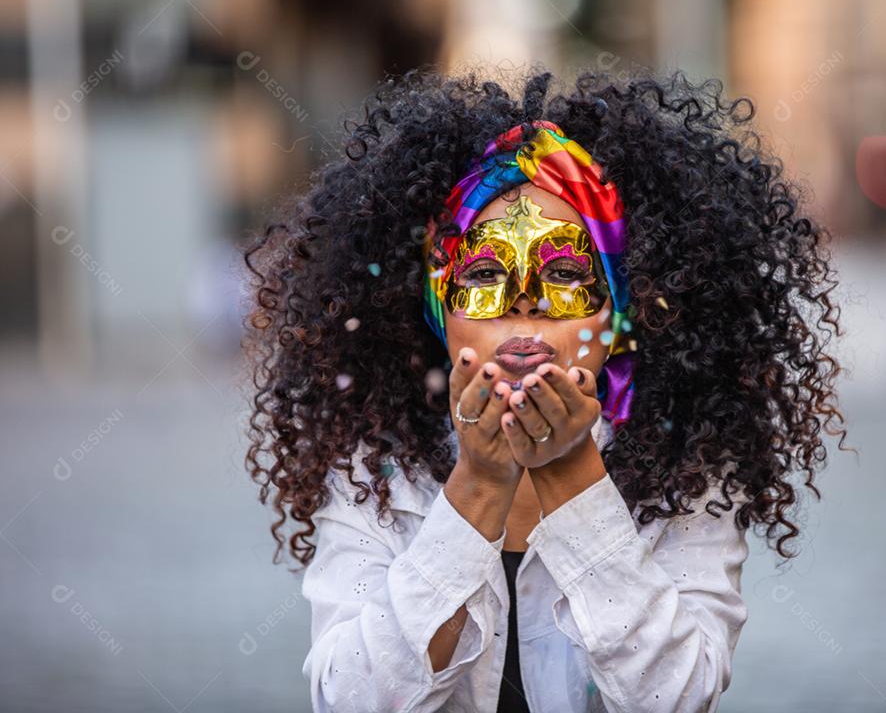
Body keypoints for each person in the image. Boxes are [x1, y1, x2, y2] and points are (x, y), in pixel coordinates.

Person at [242, 64, 845, 712]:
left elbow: (675, 697)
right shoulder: (375, 469)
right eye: (484, 275)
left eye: (563, 272)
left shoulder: (685, 472)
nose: (524, 308)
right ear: (440, 311)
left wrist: (571, 476)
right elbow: (353, 700)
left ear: (617, 316)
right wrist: (473, 489)